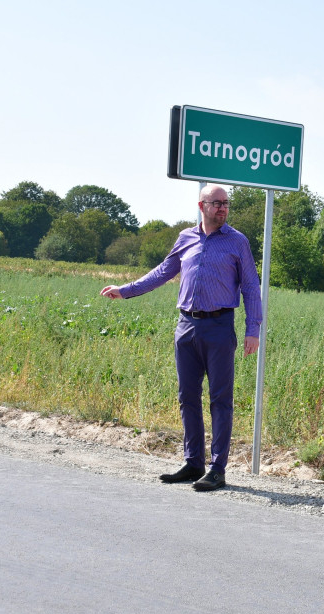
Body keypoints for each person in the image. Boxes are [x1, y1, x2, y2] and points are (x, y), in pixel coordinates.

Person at [100, 185, 261, 491]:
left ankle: (217, 468)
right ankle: (193, 463)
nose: (223, 209)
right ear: (202, 205)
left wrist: (253, 330)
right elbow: (164, 271)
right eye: (217, 204)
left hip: (219, 326)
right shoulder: (186, 238)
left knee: (220, 400)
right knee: (187, 397)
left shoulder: (237, 242)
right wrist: (126, 290)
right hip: (186, 326)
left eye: (226, 204)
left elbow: (251, 287)